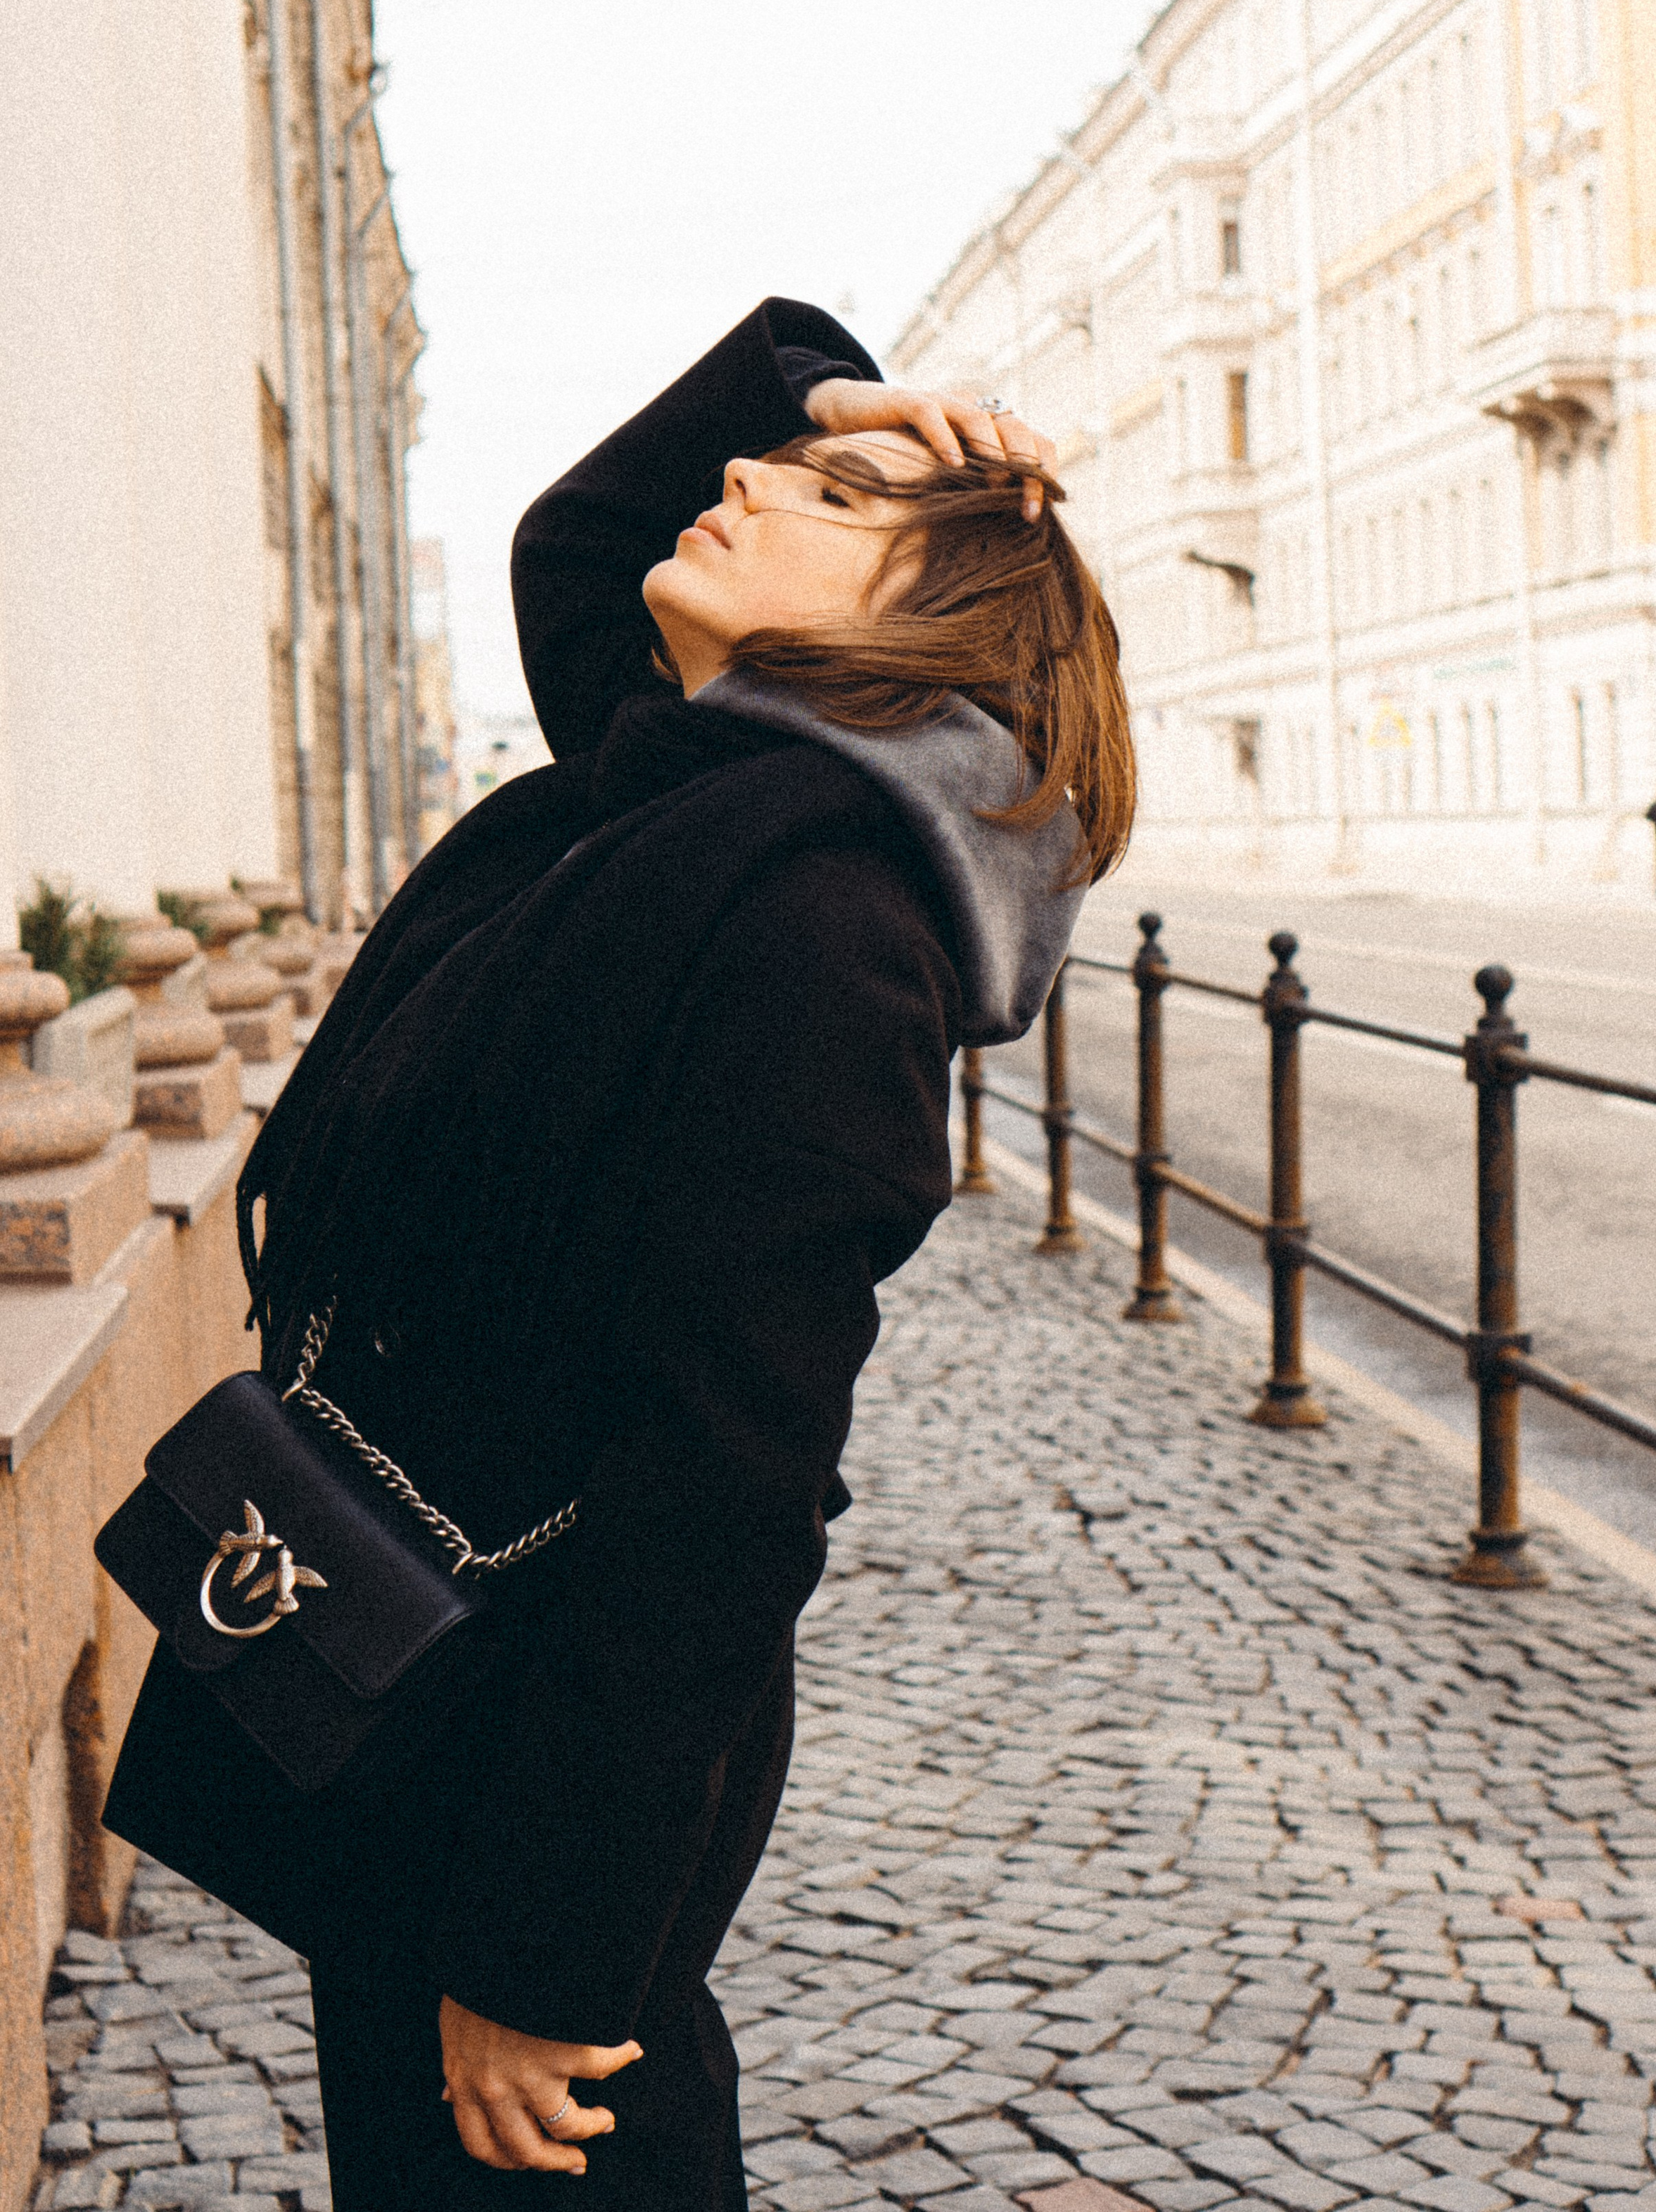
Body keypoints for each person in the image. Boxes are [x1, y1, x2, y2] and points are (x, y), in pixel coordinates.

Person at [101, 298, 1136, 2211]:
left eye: (830, 494)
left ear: (931, 627)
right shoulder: (679, 789)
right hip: (422, 1681)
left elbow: (724, 1492)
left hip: (542, 1762)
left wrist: (549, 1957)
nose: (745, 476)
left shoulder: (823, 929)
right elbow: (581, 541)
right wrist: (828, 389)